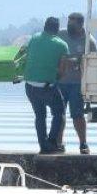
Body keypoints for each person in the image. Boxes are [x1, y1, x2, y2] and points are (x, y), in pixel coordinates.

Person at [23, 16, 69, 154]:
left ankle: (43, 145)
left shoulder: (33, 38)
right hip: (47, 86)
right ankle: (52, 142)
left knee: (40, 115)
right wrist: (55, 77)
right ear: (57, 29)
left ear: (44, 26)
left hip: (29, 86)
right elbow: (62, 71)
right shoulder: (62, 45)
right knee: (59, 112)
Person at [55, 12, 97, 154]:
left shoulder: (89, 41)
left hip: (77, 84)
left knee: (77, 115)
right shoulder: (60, 35)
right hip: (60, 82)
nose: (68, 27)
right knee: (59, 114)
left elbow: (94, 64)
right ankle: (58, 143)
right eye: (68, 23)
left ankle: (83, 143)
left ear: (80, 25)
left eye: (72, 24)